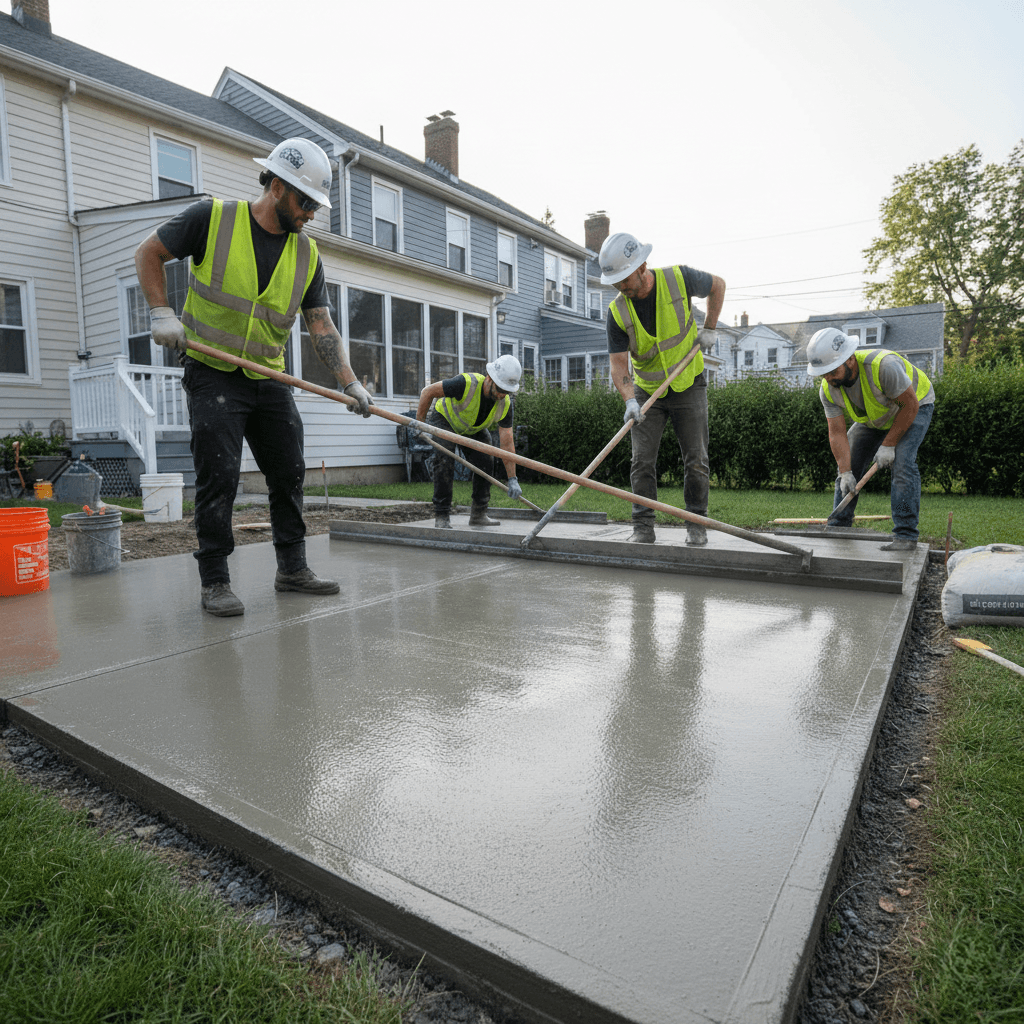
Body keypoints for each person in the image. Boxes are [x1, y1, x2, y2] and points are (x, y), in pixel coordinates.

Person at [134, 138, 374, 617]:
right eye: (306, 202)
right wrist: (162, 312)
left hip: (270, 377)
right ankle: (216, 580)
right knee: (219, 475)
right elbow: (149, 253)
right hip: (212, 370)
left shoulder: (307, 255)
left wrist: (350, 382)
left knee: (288, 472)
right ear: (279, 187)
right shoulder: (212, 218)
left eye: (316, 206)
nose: (310, 214)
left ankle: (292, 568)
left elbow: (320, 324)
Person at [600, 232, 726, 545]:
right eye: (615, 282)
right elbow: (619, 366)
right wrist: (630, 401)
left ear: (642, 266)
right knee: (642, 461)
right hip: (646, 392)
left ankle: (696, 524)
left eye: (624, 280)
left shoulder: (679, 278)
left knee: (696, 460)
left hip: (689, 384)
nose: (621, 288)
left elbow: (718, 285)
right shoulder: (617, 312)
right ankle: (643, 528)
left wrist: (710, 328)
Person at [805, 327, 934, 551]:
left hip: (915, 405)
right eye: (822, 373)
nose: (827, 378)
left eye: (832, 371)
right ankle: (839, 527)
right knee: (848, 466)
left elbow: (909, 405)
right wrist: (845, 471)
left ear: (850, 360)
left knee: (903, 462)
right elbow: (836, 432)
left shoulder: (883, 366)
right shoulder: (828, 389)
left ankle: (905, 535)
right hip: (876, 417)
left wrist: (889, 444)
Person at [416, 354, 523, 529]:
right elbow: (427, 392)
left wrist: (512, 478)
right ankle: (442, 515)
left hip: (473, 429)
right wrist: (420, 424)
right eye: (500, 389)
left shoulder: (506, 404)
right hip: (445, 420)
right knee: (445, 457)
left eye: (507, 391)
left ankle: (479, 514)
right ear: (489, 379)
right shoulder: (465, 383)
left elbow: (507, 443)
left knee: (486, 460)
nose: (502, 395)